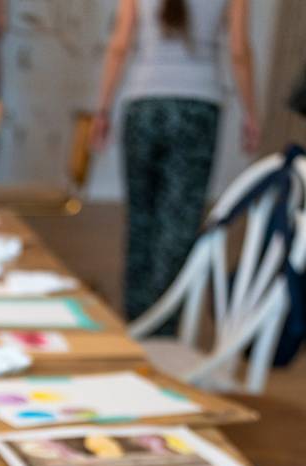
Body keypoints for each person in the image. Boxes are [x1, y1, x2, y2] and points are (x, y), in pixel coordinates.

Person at [91, 0, 260, 323]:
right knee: (179, 226)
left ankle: (136, 323)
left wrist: (103, 109)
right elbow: (239, 51)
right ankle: (163, 328)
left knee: (140, 222)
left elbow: (120, 45)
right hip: (198, 108)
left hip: (143, 105)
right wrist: (250, 112)